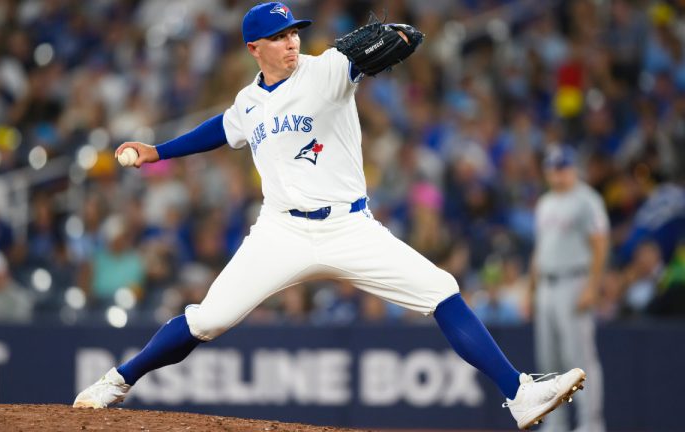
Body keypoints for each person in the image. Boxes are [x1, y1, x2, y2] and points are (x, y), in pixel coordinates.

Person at [73, 3, 586, 429]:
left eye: (294, 32)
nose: (292, 42)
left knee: (441, 288)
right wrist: (157, 152)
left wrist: (401, 37)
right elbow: (220, 129)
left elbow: (394, 44)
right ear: (255, 48)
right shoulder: (249, 101)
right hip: (282, 230)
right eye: (278, 36)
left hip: (349, 226)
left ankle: (518, 392)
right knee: (209, 319)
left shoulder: (328, 70)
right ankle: (117, 380)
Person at [531, 146, 608, 432]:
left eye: (562, 168)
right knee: (549, 359)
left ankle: (591, 423)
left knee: (580, 359)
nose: (558, 174)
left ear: (573, 168)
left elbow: (600, 243)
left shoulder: (586, 200)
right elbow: (540, 250)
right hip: (547, 285)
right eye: (553, 169)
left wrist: (592, 286)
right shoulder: (545, 202)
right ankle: (556, 422)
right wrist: (531, 289)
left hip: (574, 281)